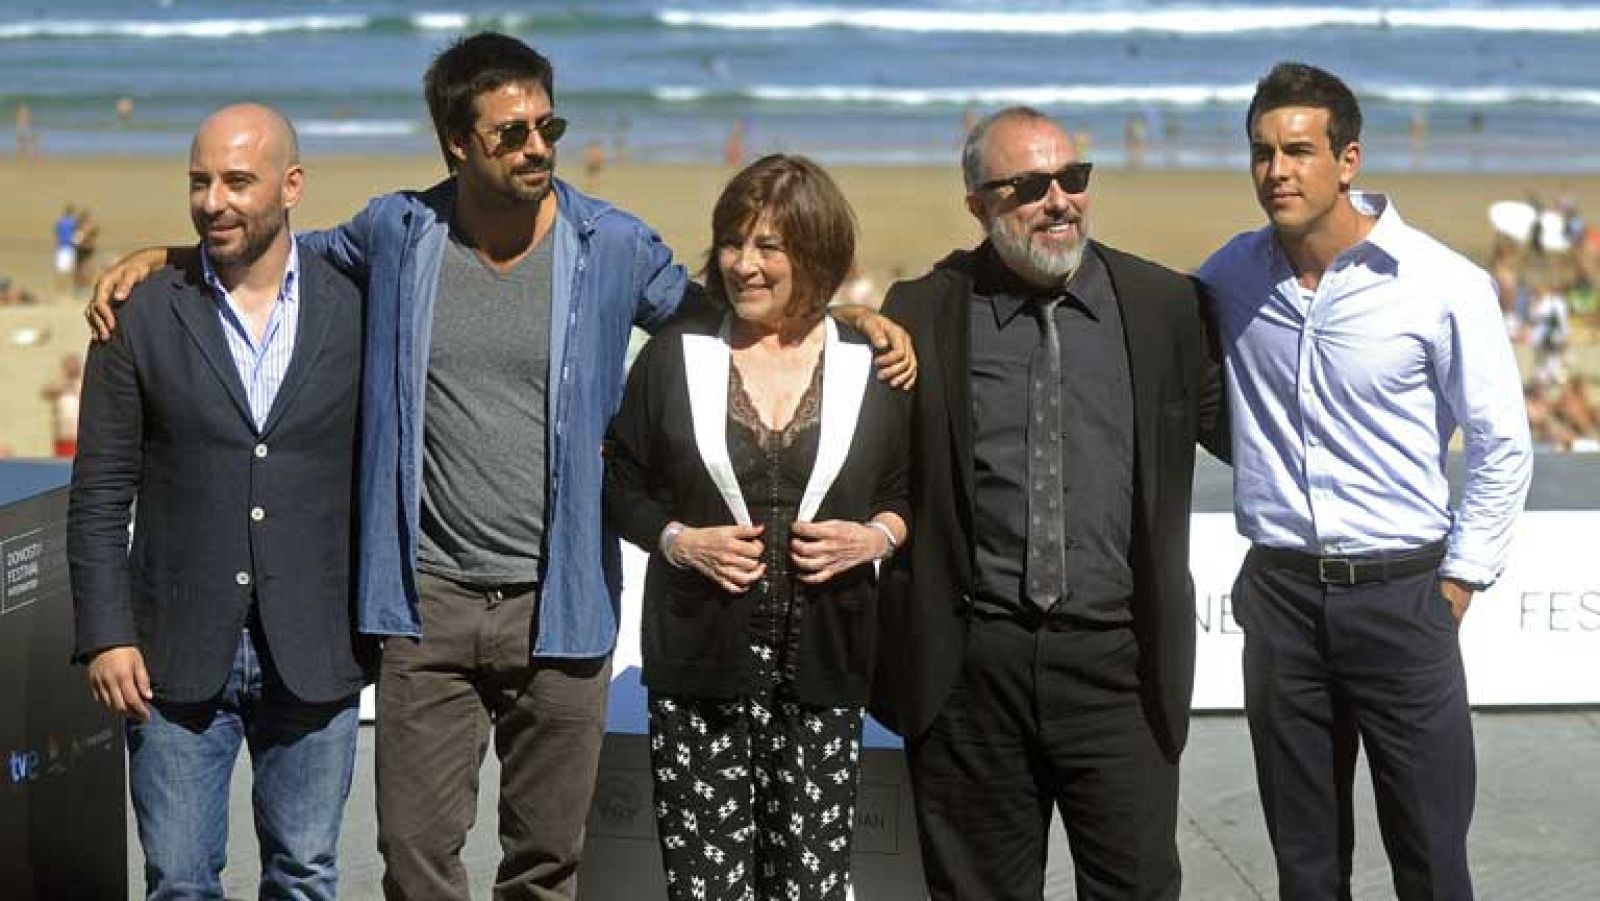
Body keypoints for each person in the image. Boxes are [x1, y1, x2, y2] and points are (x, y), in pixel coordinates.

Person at [87, 32, 913, 900]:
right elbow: (269, 253)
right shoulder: (397, 232)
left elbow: (736, 317)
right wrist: (167, 258)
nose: (537, 147)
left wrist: (851, 321)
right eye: (509, 134)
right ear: (456, 142)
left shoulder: (612, 244)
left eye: (547, 125)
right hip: (424, 605)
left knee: (545, 866)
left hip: (559, 607)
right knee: (414, 859)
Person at [869, 106, 1225, 900]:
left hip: (1121, 667)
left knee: (1137, 887)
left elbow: (1259, 433)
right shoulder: (922, 311)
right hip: (972, 669)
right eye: (1029, 186)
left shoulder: (1165, 305)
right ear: (978, 206)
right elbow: (865, 455)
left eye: (1075, 177)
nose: (1059, 199)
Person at [1197, 62, 1533, 900]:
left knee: (1429, 854)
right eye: (1263, 152)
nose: (1277, 171)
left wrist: (1457, 582)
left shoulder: (1443, 284)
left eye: (1300, 151)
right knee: (1305, 864)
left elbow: (1500, 443)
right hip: (1279, 598)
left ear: (1348, 160)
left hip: (1404, 598)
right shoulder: (1228, 278)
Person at [67, 104, 370, 900]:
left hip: (315, 644)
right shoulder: (137, 312)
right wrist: (105, 634)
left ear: (292, 185)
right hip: (169, 654)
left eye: (238, 180)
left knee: (304, 875)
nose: (213, 201)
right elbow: (99, 491)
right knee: (177, 881)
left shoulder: (358, 307)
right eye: (199, 181)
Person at [605, 154, 909, 900]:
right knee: (706, 891)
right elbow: (619, 483)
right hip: (695, 671)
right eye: (733, 243)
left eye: (768, 246)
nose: (744, 264)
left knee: (811, 888)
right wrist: (678, 540)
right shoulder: (678, 356)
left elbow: (909, 489)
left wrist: (877, 538)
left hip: (825, 672)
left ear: (815, 250)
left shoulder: (869, 362)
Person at [54, 205, 78, 290]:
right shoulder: (74, 222)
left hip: (62, 247)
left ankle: (61, 288)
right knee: (71, 268)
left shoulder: (60, 221)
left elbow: (57, 234)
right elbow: (77, 234)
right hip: (69, 247)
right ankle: (68, 287)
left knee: (61, 269)